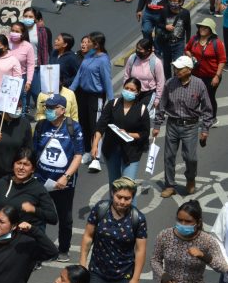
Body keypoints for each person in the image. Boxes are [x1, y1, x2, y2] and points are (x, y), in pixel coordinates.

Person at [152, 55, 213, 198]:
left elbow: (207, 109)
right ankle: (169, 185)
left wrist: (205, 129)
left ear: (189, 70)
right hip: (172, 124)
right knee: (169, 156)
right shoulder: (170, 83)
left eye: (179, 68)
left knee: (190, 158)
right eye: (175, 68)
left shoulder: (199, 84)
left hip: (191, 126)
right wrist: (157, 125)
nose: (176, 70)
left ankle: (190, 179)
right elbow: (162, 105)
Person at [33, 94, 85, 262]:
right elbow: (34, 152)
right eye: (47, 107)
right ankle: (39, 253)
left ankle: (63, 249)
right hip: (41, 180)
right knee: (39, 217)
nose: (48, 110)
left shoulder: (73, 127)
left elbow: (78, 155)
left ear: (62, 110)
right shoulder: (41, 126)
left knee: (65, 218)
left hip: (63, 184)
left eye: (52, 107)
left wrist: (66, 176)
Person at [93, 78, 150, 191]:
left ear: (137, 92)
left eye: (132, 89)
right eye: (126, 88)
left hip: (131, 152)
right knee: (114, 184)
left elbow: (144, 133)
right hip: (111, 150)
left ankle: (131, 208)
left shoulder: (142, 109)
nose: (128, 91)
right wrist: (95, 145)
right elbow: (100, 126)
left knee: (127, 186)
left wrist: (128, 134)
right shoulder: (112, 104)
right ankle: (113, 208)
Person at [70, 31, 113, 171]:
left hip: (96, 97)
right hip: (83, 96)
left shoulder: (104, 60)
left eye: (90, 42)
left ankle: (96, 158)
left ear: (97, 44)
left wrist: (112, 102)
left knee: (96, 127)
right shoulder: (88, 56)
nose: (86, 44)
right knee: (84, 125)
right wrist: (70, 91)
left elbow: (107, 81)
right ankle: (88, 152)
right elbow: (79, 75)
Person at [185, 16, 226, 118]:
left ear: (210, 30)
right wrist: (191, 56)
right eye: (201, 27)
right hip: (196, 75)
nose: (202, 29)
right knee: (194, 96)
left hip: (211, 76)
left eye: (205, 28)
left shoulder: (217, 43)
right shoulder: (194, 39)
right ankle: (195, 116)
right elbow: (187, 49)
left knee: (209, 98)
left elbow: (222, 60)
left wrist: (217, 76)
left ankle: (212, 118)